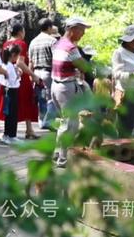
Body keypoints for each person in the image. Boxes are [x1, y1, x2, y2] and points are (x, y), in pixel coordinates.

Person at [52, 17, 92, 168]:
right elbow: (84, 67)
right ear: (73, 29)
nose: (83, 34)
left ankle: (57, 153)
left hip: (56, 86)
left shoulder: (58, 44)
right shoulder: (70, 47)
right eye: (82, 30)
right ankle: (63, 159)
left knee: (64, 122)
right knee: (71, 124)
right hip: (66, 87)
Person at [0, 23, 39, 139]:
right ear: (20, 32)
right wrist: (32, 74)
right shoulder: (21, 44)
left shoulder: (6, 44)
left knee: (11, 104)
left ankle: (16, 130)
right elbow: (20, 62)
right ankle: (28, 130)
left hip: (8, 76)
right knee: (26, 101)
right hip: (20, 76)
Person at [28, 18, 57, 129]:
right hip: (48, 72)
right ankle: (48, 122)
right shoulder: (52, 41)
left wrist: (31, 76)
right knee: (51, 98)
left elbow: (30, 61)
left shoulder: (33, 41)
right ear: (49, 27)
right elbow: (56, 59)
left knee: (40, 98)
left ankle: (42, 120)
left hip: (36, 72)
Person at [0, 44, 22, 145]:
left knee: (9, 114)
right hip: (11, 90)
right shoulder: (9, 66)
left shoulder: (5, 64)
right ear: (13, 54)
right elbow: (13, 80)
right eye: (17, 55)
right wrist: (19, 75)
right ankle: (10, 135)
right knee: (12, 114)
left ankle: (9, 134)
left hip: (7, 90)